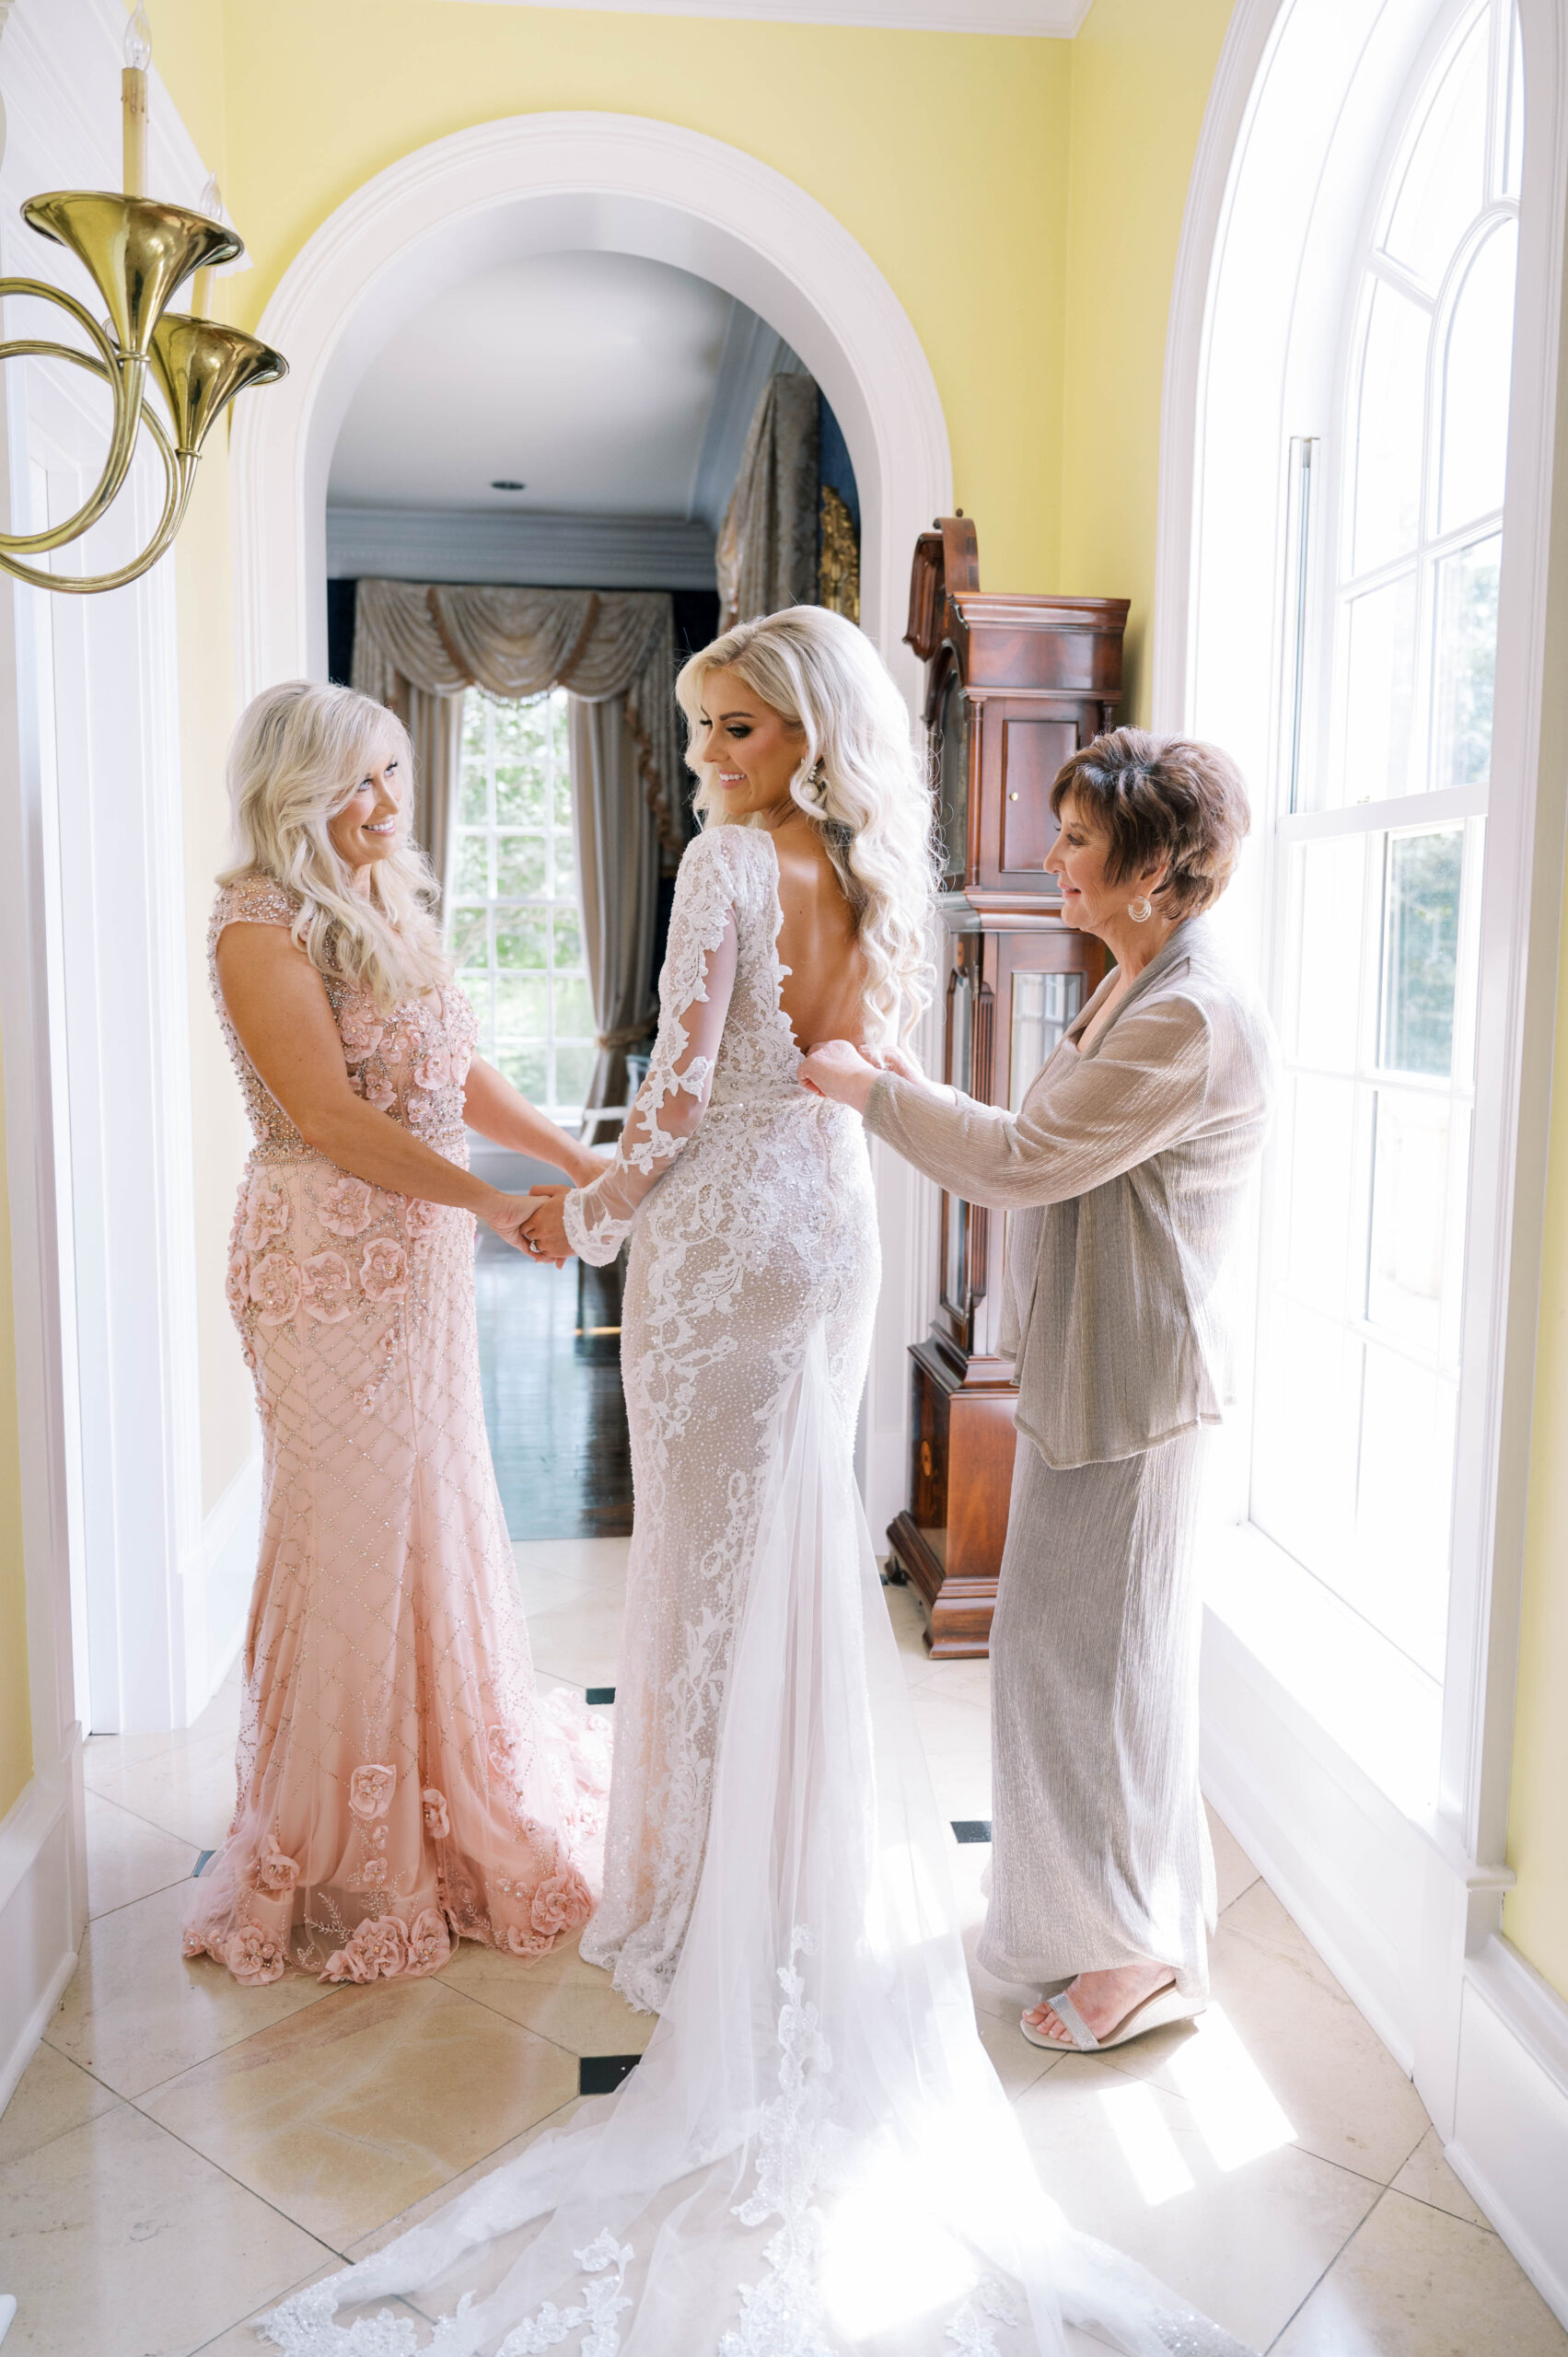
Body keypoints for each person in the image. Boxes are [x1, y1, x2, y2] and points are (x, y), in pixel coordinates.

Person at [262, 627, 1249, 2357]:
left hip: (723, 1243)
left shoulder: (728, 864)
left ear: (802, 733)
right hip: (831, 1235)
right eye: (698, 725)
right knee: (781, 1555)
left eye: (736, 725)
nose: (708, 751)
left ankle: (695, 1895)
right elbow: (840, 1074)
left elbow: (679, 1090)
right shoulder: (877, 867)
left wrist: (591, 1214)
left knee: (706, 1576)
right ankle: (779, 1874)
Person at [801, 727, 1277, 2058]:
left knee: (1089, 1676)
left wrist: (870, 1097)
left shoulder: (1188, 1012)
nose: (1052, 858)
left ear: (1156, 869)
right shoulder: (1139, 977)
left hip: (1137, 1389)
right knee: (1068, 1667)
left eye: (1078, 839)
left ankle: (1128, 1956)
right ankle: (1100, 1917)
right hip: (1095, 1370)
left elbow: (1023, 1160)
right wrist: (905, 1079)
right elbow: (1048, 1143)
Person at [184, 681, 610, 1990]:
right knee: (350, 1532)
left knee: (436, 1511)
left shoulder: (382, 904)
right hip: (325, 1259)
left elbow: (444, 1072)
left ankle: (448, 1790)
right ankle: (340, 1852)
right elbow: (329, 1118)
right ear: (293, 788)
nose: (383, 803)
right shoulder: (258, 924)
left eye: (392, 773)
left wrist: (564, 1151)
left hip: (414, 1260)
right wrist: (493, 1203)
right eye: (356, 781)